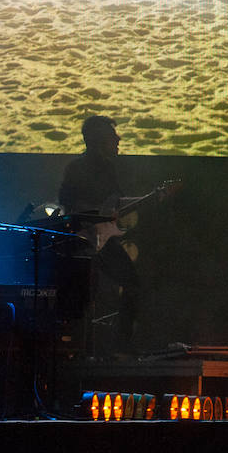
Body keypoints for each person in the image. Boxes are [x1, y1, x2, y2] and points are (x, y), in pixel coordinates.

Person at [59, 115, 141, 355]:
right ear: (98, 141)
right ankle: (87, 350)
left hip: (103, 238)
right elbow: (67, 204)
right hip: (84, 240)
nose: (118, 139)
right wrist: (95, 216)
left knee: (131, 284)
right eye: (111, 136)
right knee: (87, 296)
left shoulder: (108, 169)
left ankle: (119, 347)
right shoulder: (77, 168)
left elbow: (115, 205)